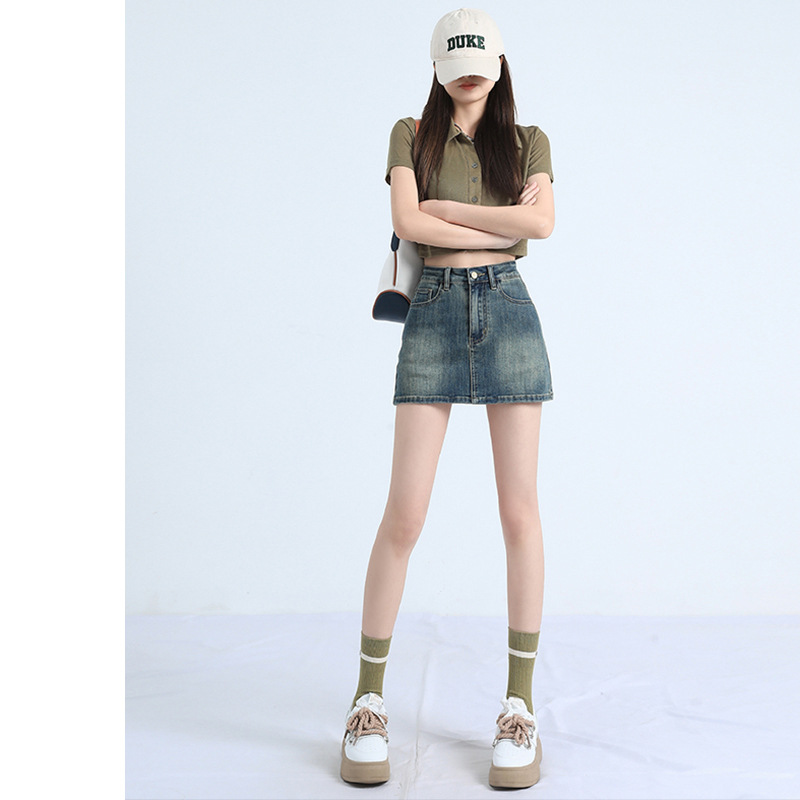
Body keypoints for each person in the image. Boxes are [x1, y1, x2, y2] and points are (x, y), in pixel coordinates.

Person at [340, 8, 555, 790]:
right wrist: (499, 223)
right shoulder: (411, 134)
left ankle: (520, 707)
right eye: (456, 63)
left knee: (519, 513)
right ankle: (367, 699)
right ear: (437, 67)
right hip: (431, 311)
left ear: (498, 65)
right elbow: (407, 220)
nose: (468, 74)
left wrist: (450, 214)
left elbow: (543, 225)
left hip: (508, 309)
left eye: (479, 63)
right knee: (404, 514)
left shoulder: (528, 141)